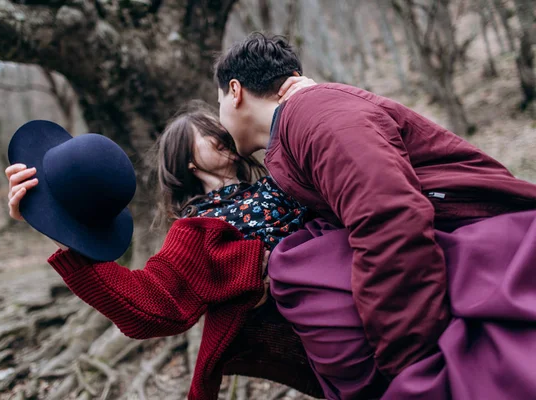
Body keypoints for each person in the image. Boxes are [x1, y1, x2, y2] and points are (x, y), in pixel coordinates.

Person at [214, 32, 536, 384]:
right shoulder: (300, 125)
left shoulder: (314, 112)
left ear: (235, 90)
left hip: (490, 242)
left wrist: (408, 363)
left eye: (217, 102)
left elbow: (388, 216)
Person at [4, 78, 327, 400]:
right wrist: (57, 229)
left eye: (220, 125)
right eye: (208, 132)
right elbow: (150, 307)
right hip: (328, 337)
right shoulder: (195, 230)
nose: (221, 133)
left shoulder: (279, 177)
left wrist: (307, 98)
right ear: (188, 159)